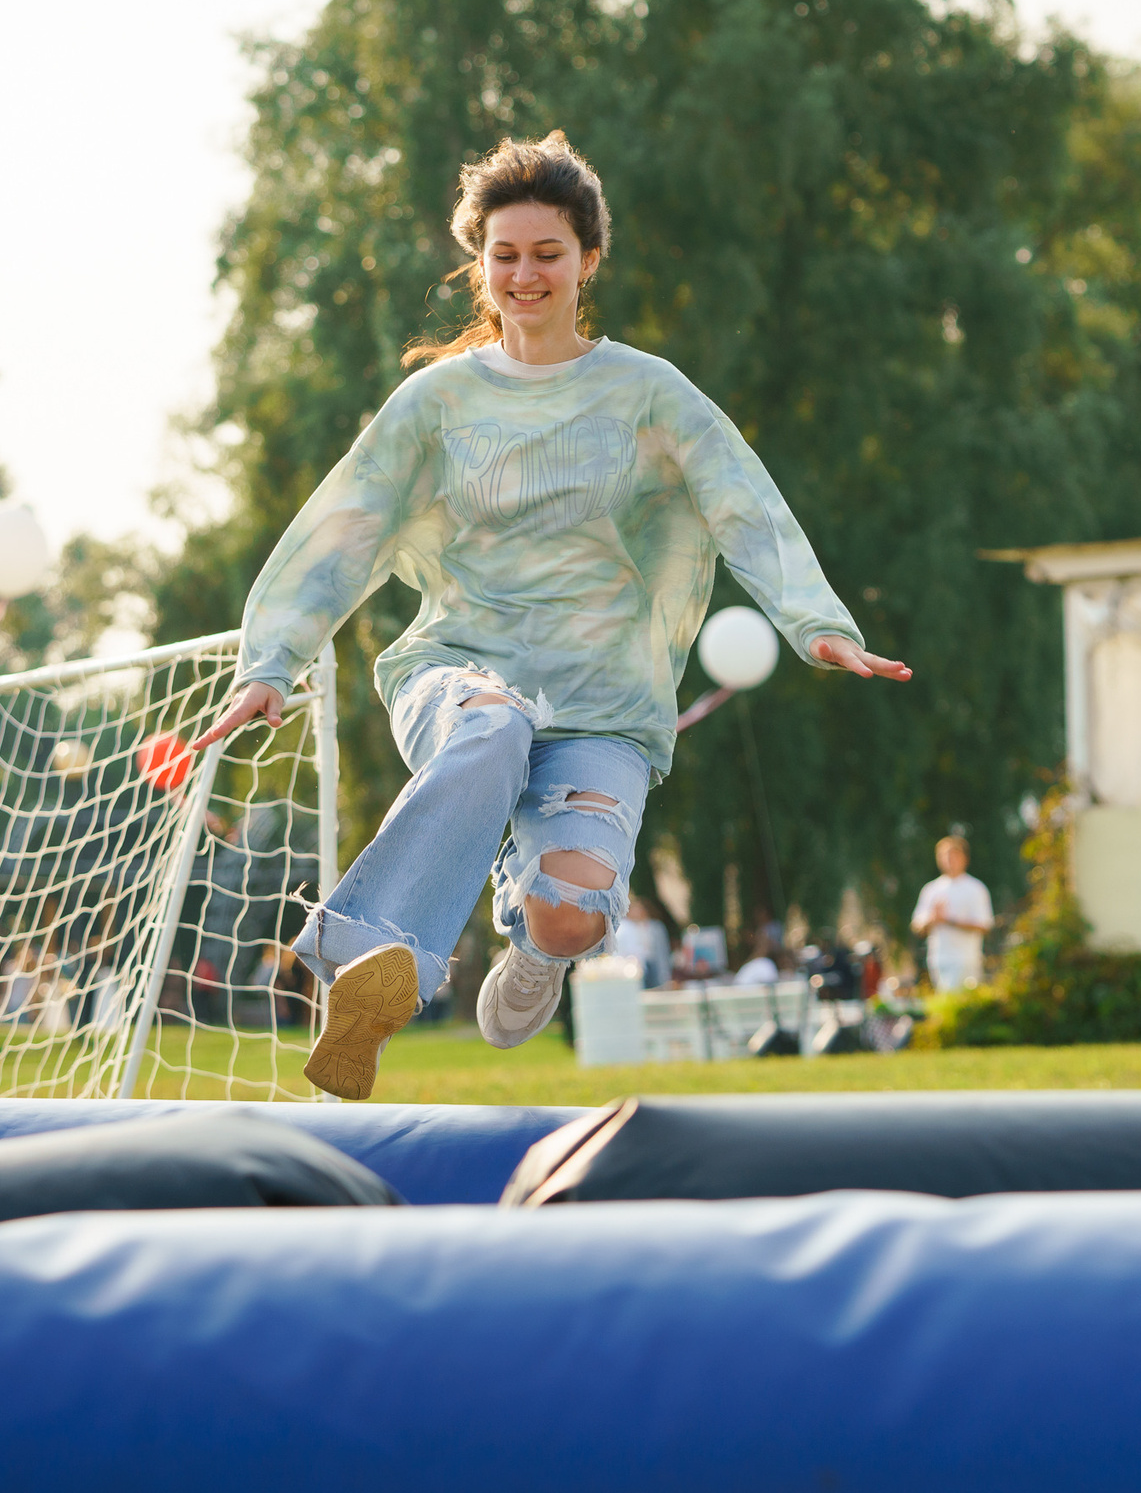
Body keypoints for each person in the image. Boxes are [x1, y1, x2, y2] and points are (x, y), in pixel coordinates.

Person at [193, 133, 910, 1099]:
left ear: (588, 260)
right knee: (493, 727)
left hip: (602, 703)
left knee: (571, 912)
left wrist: (814, 621)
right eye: (505, 255)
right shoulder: (438, 402)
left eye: (547, 254)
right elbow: (345, 525)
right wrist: (270, 661)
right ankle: (365, 960)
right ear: (480, 266)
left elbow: (740, 498)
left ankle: (537, 942)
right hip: (460, 670)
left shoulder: (647, 392)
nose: (525, 275)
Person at [909, 834, 995, 992]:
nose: (949, 860)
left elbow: (984, 925)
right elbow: (917, 926)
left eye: (954, 855)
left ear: (964, 858)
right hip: (939, 959)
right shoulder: (931, 889)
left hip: (966, 959)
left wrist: (950, 920)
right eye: (944, 855)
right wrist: (932, 919)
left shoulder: (976, 888)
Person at [614, 894, 674, 989]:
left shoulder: (656, 927)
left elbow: (662, 949)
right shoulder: (626, 927)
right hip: (636, 963)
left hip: (653, 961)